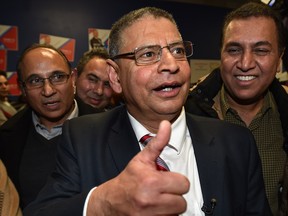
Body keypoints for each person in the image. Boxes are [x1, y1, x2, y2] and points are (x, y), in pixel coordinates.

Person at [24, 7, 271, 215]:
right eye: (148, 54)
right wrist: (103, 202)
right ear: (115, 76)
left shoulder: (236, 142)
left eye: (178, 51)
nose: (171, 65)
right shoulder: (83, 137)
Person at [185, 2, 288, 215]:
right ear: (220, 54)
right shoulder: (186, 116)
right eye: (234, 49)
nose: (245, 62)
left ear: (279, 59)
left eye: (261, 50)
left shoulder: (284, 116)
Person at [0, 43, 98, 209]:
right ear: (23, 88)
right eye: (35, 80)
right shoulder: (6, 138)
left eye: (58, 77)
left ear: (73, 78)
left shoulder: (108, 128)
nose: (48, 90)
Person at [75, 45, 121, 111]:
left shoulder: (119, 119)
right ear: (75, 77)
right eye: (92, 80)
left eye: (107, 84)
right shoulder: (59, 116)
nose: (99, 91)